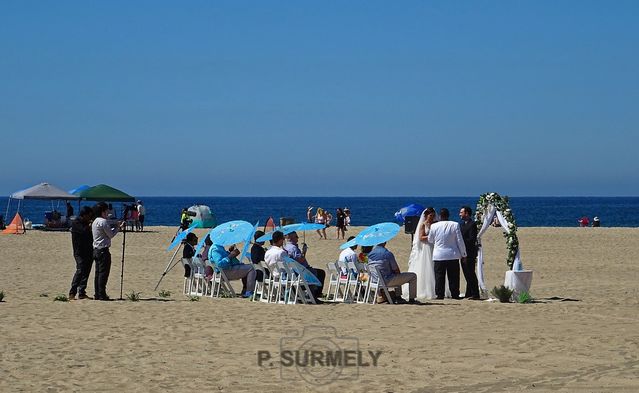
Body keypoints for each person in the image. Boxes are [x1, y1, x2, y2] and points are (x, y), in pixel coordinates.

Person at [428, 208, 467, 300]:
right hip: (452, 254)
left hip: (439, 255)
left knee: (439, 276)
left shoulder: (434, 226)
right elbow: (459, 241)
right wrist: (464, 254)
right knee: (453, 276)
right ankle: (455, 294)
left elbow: (430, 239)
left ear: (440, 216)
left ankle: (440, 294)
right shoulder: (455, 224)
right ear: (448, 215)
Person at [92, 202, 125, 301]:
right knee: (103, 273)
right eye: (106, 210)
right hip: (103, 250)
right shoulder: (103, 222)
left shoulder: (95, 221)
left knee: (98, 273)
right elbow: (110, 235)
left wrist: (115, 225)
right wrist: (118, 228)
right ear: (103, 211)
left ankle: (97, 293)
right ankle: (102, 294)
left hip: (96, 249)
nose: (108, 212)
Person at [404, 207, 438, 300]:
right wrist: (430, 236)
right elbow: (420, 237)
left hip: (433, 246)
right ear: (426, 215)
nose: (432, 217)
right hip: (426, 247)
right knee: (426, 266)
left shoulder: (435, 224)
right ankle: (425, 289)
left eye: (433, 215)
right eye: (431, 215)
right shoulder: (423, 224)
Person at [284, 231, 326, 298]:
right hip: (301, 272)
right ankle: (316, 295)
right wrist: (304, 251)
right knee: (321, 273)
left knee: (318, 271)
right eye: (296, 237)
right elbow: (300, 260)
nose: (298, 238)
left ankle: (314, 293)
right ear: (291, 238)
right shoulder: (293, 248)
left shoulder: (286, 246)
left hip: (294, 271)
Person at [69, 206, 94, 300]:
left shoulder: (86, 222)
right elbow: (84, 231)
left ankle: (82, 292)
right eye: (89, 216)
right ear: (84, 215)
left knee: (86, 271)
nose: (90, 218)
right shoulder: (76, 222)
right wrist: (90, 225)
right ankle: (72, 292)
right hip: (79, 251)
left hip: (89, 250)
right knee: (80, 270)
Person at [459, 206, 480, 299]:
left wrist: (461, 241)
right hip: (463, 252)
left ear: (466, 213)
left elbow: (472, 239)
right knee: (466, 274)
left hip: (470, 253)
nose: (460, 214)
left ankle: (475, 294)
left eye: (461, 212)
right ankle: (469, 293)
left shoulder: (472, 224)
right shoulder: (462, 224)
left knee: (471, 273)